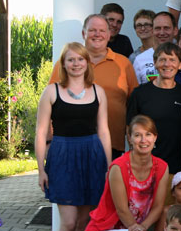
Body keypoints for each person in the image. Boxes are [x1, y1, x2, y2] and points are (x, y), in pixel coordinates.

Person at [37, 43, 112, 231]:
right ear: (63, 64)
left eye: (80, 59)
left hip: (92, 156)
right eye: (71, 60)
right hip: (63, 156)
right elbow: (40, 132)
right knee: (68, 224)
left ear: (87, 63)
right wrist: (40, 169)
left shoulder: (98, 92)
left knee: (83, 223)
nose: (76, 64)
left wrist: (108, 167)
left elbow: (103, 130)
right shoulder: (51, 91)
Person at [49, 14, 138, 160]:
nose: (97, 34)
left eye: (102, 31)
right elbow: (50, 104)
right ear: (83, 33)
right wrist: (48, 141)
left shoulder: (124, 64)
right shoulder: (66, 63)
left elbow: (135, 105)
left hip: (112, 144)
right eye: (92, 30)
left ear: (109, 35)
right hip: (69, 143)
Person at [126, 42, 181, 174]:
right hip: (145, 168)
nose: (167, 64)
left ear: (180, 64)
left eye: (172, 60)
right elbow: (129, 130)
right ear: (155, 63)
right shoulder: (139, 94)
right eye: (162, 60)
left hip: (176, 168)